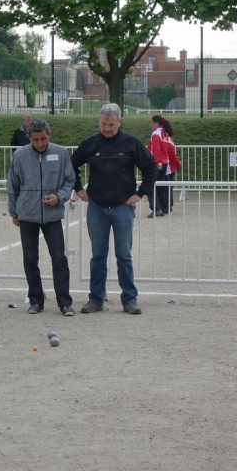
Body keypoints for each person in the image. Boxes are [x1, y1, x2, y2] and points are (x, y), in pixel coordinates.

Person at [71, 103, 158, 316]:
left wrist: (140, 193)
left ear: (119, 122)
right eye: (103, 124)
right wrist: (79, 189)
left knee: (124, 256)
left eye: (111, 124)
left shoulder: (131, 143)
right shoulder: (90, 143)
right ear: (99, 122)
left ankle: (129, 299)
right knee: (98, 256)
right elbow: (71, 165)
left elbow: (151, 167)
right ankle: (96, 299)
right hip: (96, 208)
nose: (107, 128)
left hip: (123, 208)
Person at [7, 118, 76, 316]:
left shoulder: (61, 153)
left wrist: (59, 197)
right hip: (27, 214)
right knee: (30, 259)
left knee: (59, 258)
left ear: (49, 135)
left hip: (52, 215)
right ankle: (36, 300)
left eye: (43, 139)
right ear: (28, 137)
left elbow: (69, 179)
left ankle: (65, 302)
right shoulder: (19, 155)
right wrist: (14, 213)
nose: (39, 143)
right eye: (35, 139)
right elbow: (12, 185)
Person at [146, 115, 171, 217]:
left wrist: (157, 163)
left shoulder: (156, 134)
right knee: (160, 186)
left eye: (151, 122)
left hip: (158, 163)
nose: (150, 124)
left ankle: (156, 208)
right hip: (164, 162)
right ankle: (162, 208)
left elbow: (156, 149)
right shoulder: (164, 133)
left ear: (156, 123)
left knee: (149, 185)